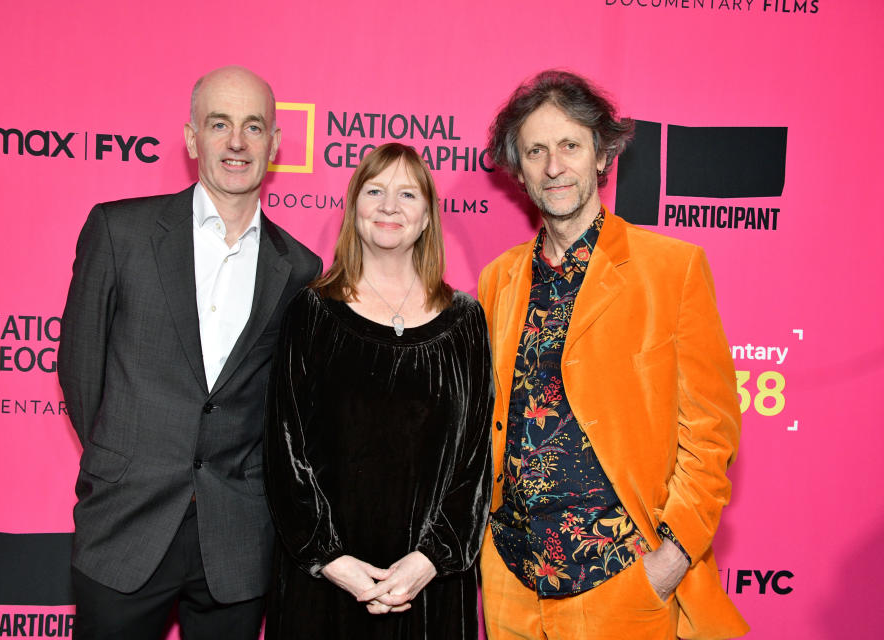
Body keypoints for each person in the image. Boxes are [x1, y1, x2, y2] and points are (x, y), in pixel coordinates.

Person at [477, 70, 749, 640]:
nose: (554, 166)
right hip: (511, 582)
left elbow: (711, 430)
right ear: (519, 171)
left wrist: (670, 560)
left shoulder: (671, 270)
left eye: (570, 145)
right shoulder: (498, 281)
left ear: (602, 156)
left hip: (624, 583)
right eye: (536, 151)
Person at [57, 65, 322, 640]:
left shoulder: (300, 268)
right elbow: (80, 370)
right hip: (125, 524)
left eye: (254, 127)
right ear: (191, 136)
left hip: (237, 538)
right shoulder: (118, 231)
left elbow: (279, 403)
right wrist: (123, 460)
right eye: (219, 123)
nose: (236, 142)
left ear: (274, 145)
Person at [262, 142, 493, 639]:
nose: (390, 205)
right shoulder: (312, 314)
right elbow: (284, 454)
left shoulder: (466, 322)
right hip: (323, 586)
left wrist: (432, 558)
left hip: (429, 587)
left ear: (428, 216)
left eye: (408, 194)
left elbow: (475, 459)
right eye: (375, 190)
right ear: (354, 208)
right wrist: (331, 560)